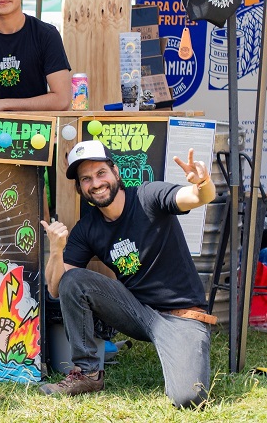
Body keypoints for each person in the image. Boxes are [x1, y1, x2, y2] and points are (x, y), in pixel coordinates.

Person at [39, 140, 217, 408]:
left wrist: (202, 184)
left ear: (116, 172)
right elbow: (56, 288)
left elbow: (196, 197)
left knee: (189, 399)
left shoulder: (149, 196)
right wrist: (56, 250)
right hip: (138, 313)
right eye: (86, 179)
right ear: (80, 187)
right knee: (73, 280)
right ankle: (88, 373)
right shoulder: (87, 228)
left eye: (101, 173)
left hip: (182, 316)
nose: (96, 183)